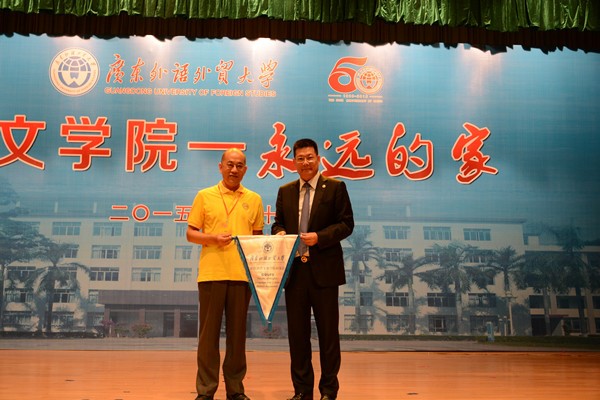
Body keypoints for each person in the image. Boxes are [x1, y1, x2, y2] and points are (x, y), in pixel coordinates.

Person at [272, 138, 354, 400]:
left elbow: (346, 224)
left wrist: (320, 237)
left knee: (328, 336)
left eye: (310, 157)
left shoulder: (335, 187)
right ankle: (302, 391)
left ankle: (329, 391)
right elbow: (277, 224)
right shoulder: (285, 191)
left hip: (325, 272)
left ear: (318, 159)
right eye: (300, 158)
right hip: (295, 273)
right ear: (294, 162)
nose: (305, 162)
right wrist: (280, 233)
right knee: (298, 336)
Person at [187, 148, 264, 400]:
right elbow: (190, 233)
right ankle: (205, 390)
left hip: (242, 276)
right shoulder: (204, 196)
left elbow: (257, 238)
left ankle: (236, 389)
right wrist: (213, 239)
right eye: (230, 164)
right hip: (211, 274)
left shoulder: (254, 199)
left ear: (245, 170)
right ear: (220, 167)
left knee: (237, 337)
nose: (234, 169)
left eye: (239, 165)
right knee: (208, 337)